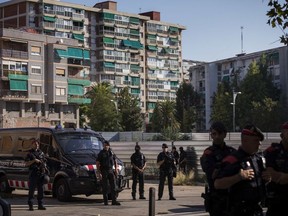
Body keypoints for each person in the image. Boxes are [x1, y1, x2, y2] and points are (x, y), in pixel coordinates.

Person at [214, 124, 271, 216]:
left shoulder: (258, 159)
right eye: (256, 140)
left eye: (260, 141)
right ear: (245, 140)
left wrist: (267, 179)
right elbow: (218, 184)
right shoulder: (233, 160)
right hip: (239, 211)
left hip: (256, 209)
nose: (259, 143)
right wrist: (239, 177)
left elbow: (259, 182)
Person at [200, 121, 236, 216]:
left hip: (233, 198)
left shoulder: (232, 151)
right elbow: (212, 176)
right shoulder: (208, 153)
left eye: (219, 133)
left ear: (225, 134)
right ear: (211, 135)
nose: (217, 136)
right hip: (217, 200)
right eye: (214, 134)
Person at [263, 121, 288, 216]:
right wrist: (280, 177)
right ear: (282, 135)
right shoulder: (272, 152)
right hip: (277, 203)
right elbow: (273, 175)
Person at [25, 139, 48, 211]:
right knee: (31, 191)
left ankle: (40, 205)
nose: (36, 145)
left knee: (41, 190)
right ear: (32, 145)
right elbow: (26, 164)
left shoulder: (41, 153)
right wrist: (34, 160)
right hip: (33, 174)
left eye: (37, 144)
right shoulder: (30, 154)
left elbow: (44, 161)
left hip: (41, 174)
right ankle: (31, 205)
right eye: (35, 144)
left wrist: (44, 167)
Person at [96, 140, 121, 206]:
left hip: (111, 170)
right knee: (105, 187)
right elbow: (97, 163)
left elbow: (115, 160)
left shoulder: (111, 152)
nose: (105, 146)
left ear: (108, 145)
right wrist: (99, 173)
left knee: (113, 186)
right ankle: (106, 201)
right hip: (104, 171)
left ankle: (114, 201)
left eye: (106, 145)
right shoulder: (101, 153)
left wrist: (116, 169)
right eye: (104, 145)